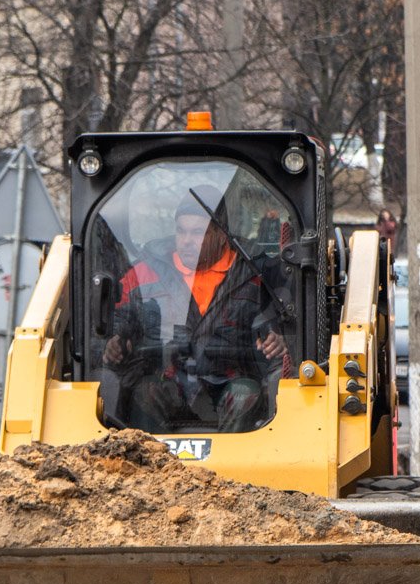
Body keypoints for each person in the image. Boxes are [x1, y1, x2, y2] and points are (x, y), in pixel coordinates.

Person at [103, 186, 291, 433]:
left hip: (232, 381)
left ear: (221, 234)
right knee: (144, 391)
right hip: (170, 381)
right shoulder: (144, 273)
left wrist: (281, 338)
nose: (187, 241)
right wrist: (112, 343)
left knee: (246, 394)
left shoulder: (257, 273)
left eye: (197, 232)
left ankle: (235, 467)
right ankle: (146, 466)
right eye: (181, 231)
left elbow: (290, 317)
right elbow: (113, 322)